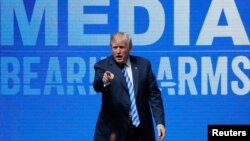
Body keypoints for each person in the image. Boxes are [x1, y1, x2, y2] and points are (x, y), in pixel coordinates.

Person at [93, 32, 166, 141]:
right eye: (115, 47)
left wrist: (160, 122)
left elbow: (154, 94)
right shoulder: (102, 66)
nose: (118, 51)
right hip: (113, 131)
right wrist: (104, 80)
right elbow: (97, 86)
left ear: (130, 48)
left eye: (122, 47)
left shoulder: (144, 65)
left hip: (140, 130)